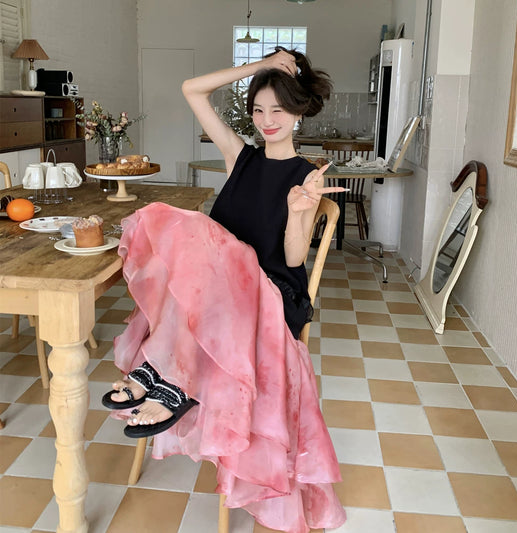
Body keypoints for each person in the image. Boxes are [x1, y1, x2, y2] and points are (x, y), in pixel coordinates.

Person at [102, 47, 347, 532]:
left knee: (201, 243)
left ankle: (168, 377)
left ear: (299, 113)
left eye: (279, 110)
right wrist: (260, 67)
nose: (267, 121)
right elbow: (191, 90)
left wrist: (299, 211)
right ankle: (168, 378)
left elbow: (292, 260)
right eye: (258, 110)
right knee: (194, 254)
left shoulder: (305, 176)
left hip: (272, 295)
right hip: (219, 293)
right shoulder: (241, 157)